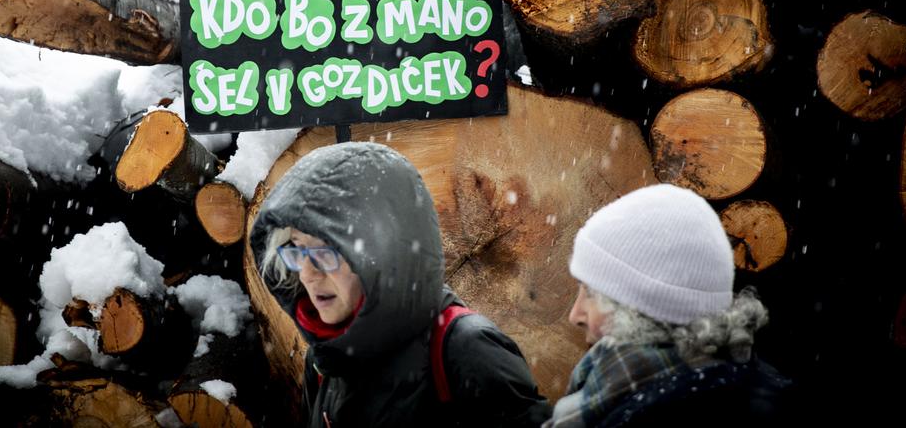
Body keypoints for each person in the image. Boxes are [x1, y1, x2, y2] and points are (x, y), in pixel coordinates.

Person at [250, 141, 552, 427]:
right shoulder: (324, 359)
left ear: (381, 252)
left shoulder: (467, 350)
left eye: (324, 253)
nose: (307, 274)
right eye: (298, 251)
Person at [544, 184, 791, 427]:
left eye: (591, 294)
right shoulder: (749, 388)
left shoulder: (643, 412)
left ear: (639, 312)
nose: (575, 315)